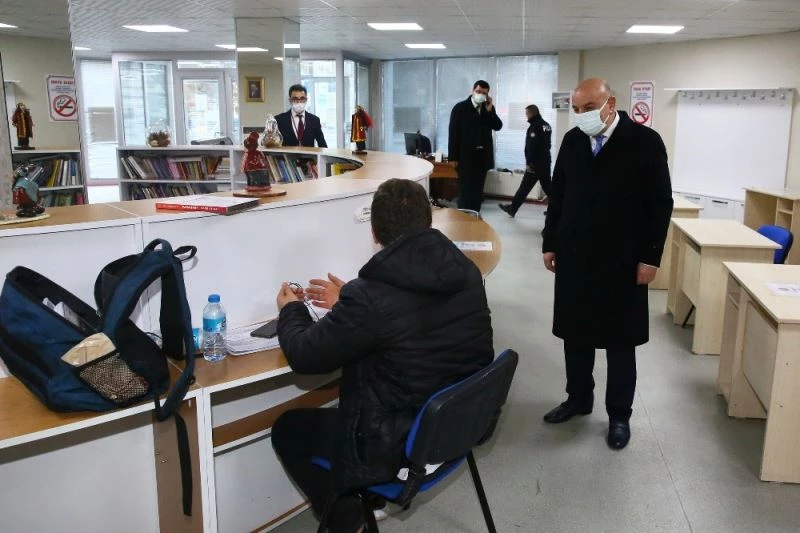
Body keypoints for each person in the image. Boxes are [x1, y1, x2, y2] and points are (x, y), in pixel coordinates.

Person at [271, 178, 494, 533]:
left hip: (399, 448)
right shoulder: (466, 271)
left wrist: (290, 310)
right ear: (429, 221)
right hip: (458, 427)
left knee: (288, 429)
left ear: (374, 232)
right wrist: (351, 302)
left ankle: (348, 521)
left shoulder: (371, 298)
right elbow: (413, 317)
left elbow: (304, 355)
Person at [541, 78, 673, 450]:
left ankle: (619, 415)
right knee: (576, 335)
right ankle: (578, 398)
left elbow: (660, 203)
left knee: (620, 341)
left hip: (623, 260)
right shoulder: (573, 141)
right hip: (575, 255)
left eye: (588, 108)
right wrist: (550, 242)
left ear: (610, 104)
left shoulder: (645, 142)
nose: (580, 115)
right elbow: (559, 194)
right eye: (576, 109)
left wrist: (650, 257)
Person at [448, 80, 503, 212]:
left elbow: (498, 126)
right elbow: (453, 133)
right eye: (478, 91)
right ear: (472, 91)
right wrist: (452, 157)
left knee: (477, 192)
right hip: (465, 157)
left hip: (482, 157)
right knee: (465, 190)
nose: (480, 95)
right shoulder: (460, 108)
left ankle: (475, 215)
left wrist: (490, 111)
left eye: (484, 93)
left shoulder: (487, 108)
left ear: (487, 95)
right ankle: (463, 216)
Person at [499, 104, 552, 217]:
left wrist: (530, 162)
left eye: (527, 114)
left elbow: (532, 147)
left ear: (531, 113)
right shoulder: (546, 125)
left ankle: (512, 209)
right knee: (548, 187)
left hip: (535, 164)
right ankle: (556, 210)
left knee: (525, 187)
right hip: (545, 161)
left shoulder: (534, 127)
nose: (526, 116)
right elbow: (547, 144)